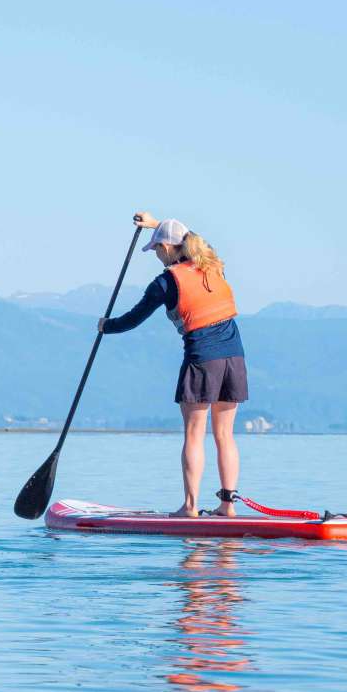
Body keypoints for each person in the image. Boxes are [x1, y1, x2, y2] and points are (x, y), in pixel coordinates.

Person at [98, 212, 247, 518]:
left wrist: (105, 327)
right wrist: (156, 225)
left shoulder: (166, 282)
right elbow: (196, 238)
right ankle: (227, 507)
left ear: (167, 248)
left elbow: (133, 319)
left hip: (202, 359)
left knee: (194, 434)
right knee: (224, 435)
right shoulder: (213, 265)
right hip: (235, 357)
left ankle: (190, 507)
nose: (156, 255)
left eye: (156, 249)